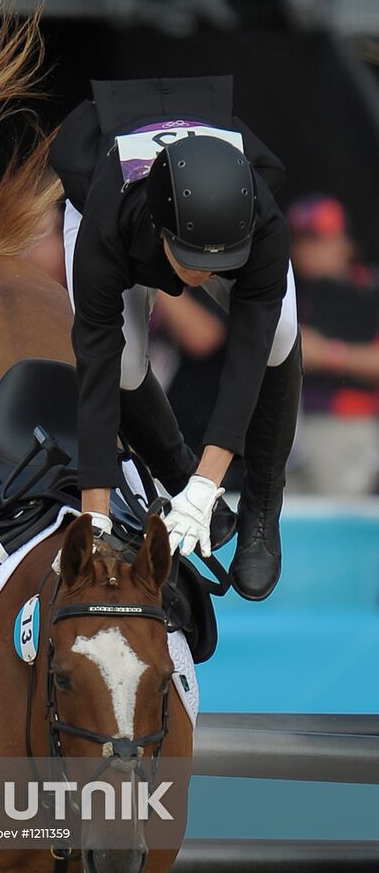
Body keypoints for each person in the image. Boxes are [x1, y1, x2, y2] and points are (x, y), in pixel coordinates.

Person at [50, 76, 302, 600]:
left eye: (216, 266)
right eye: (192, 263)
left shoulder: (265, 223)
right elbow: (95, 372)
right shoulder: (106, 229)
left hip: (223, 207)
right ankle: (176, 469)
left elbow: (247, 355)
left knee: (278, 332)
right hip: (112, 194)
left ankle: (261, 506)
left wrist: (212, 485)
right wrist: (93, 519)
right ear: (161, 233)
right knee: (121, 367)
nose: (202, 277)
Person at [288, 195, 379, 495]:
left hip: (347, 422)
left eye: (319, 239)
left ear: (346, 244)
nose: (308, 250)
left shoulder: (367, 291)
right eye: (301, 240)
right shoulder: (287, 290)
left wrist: (328, 353)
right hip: (289, 426)